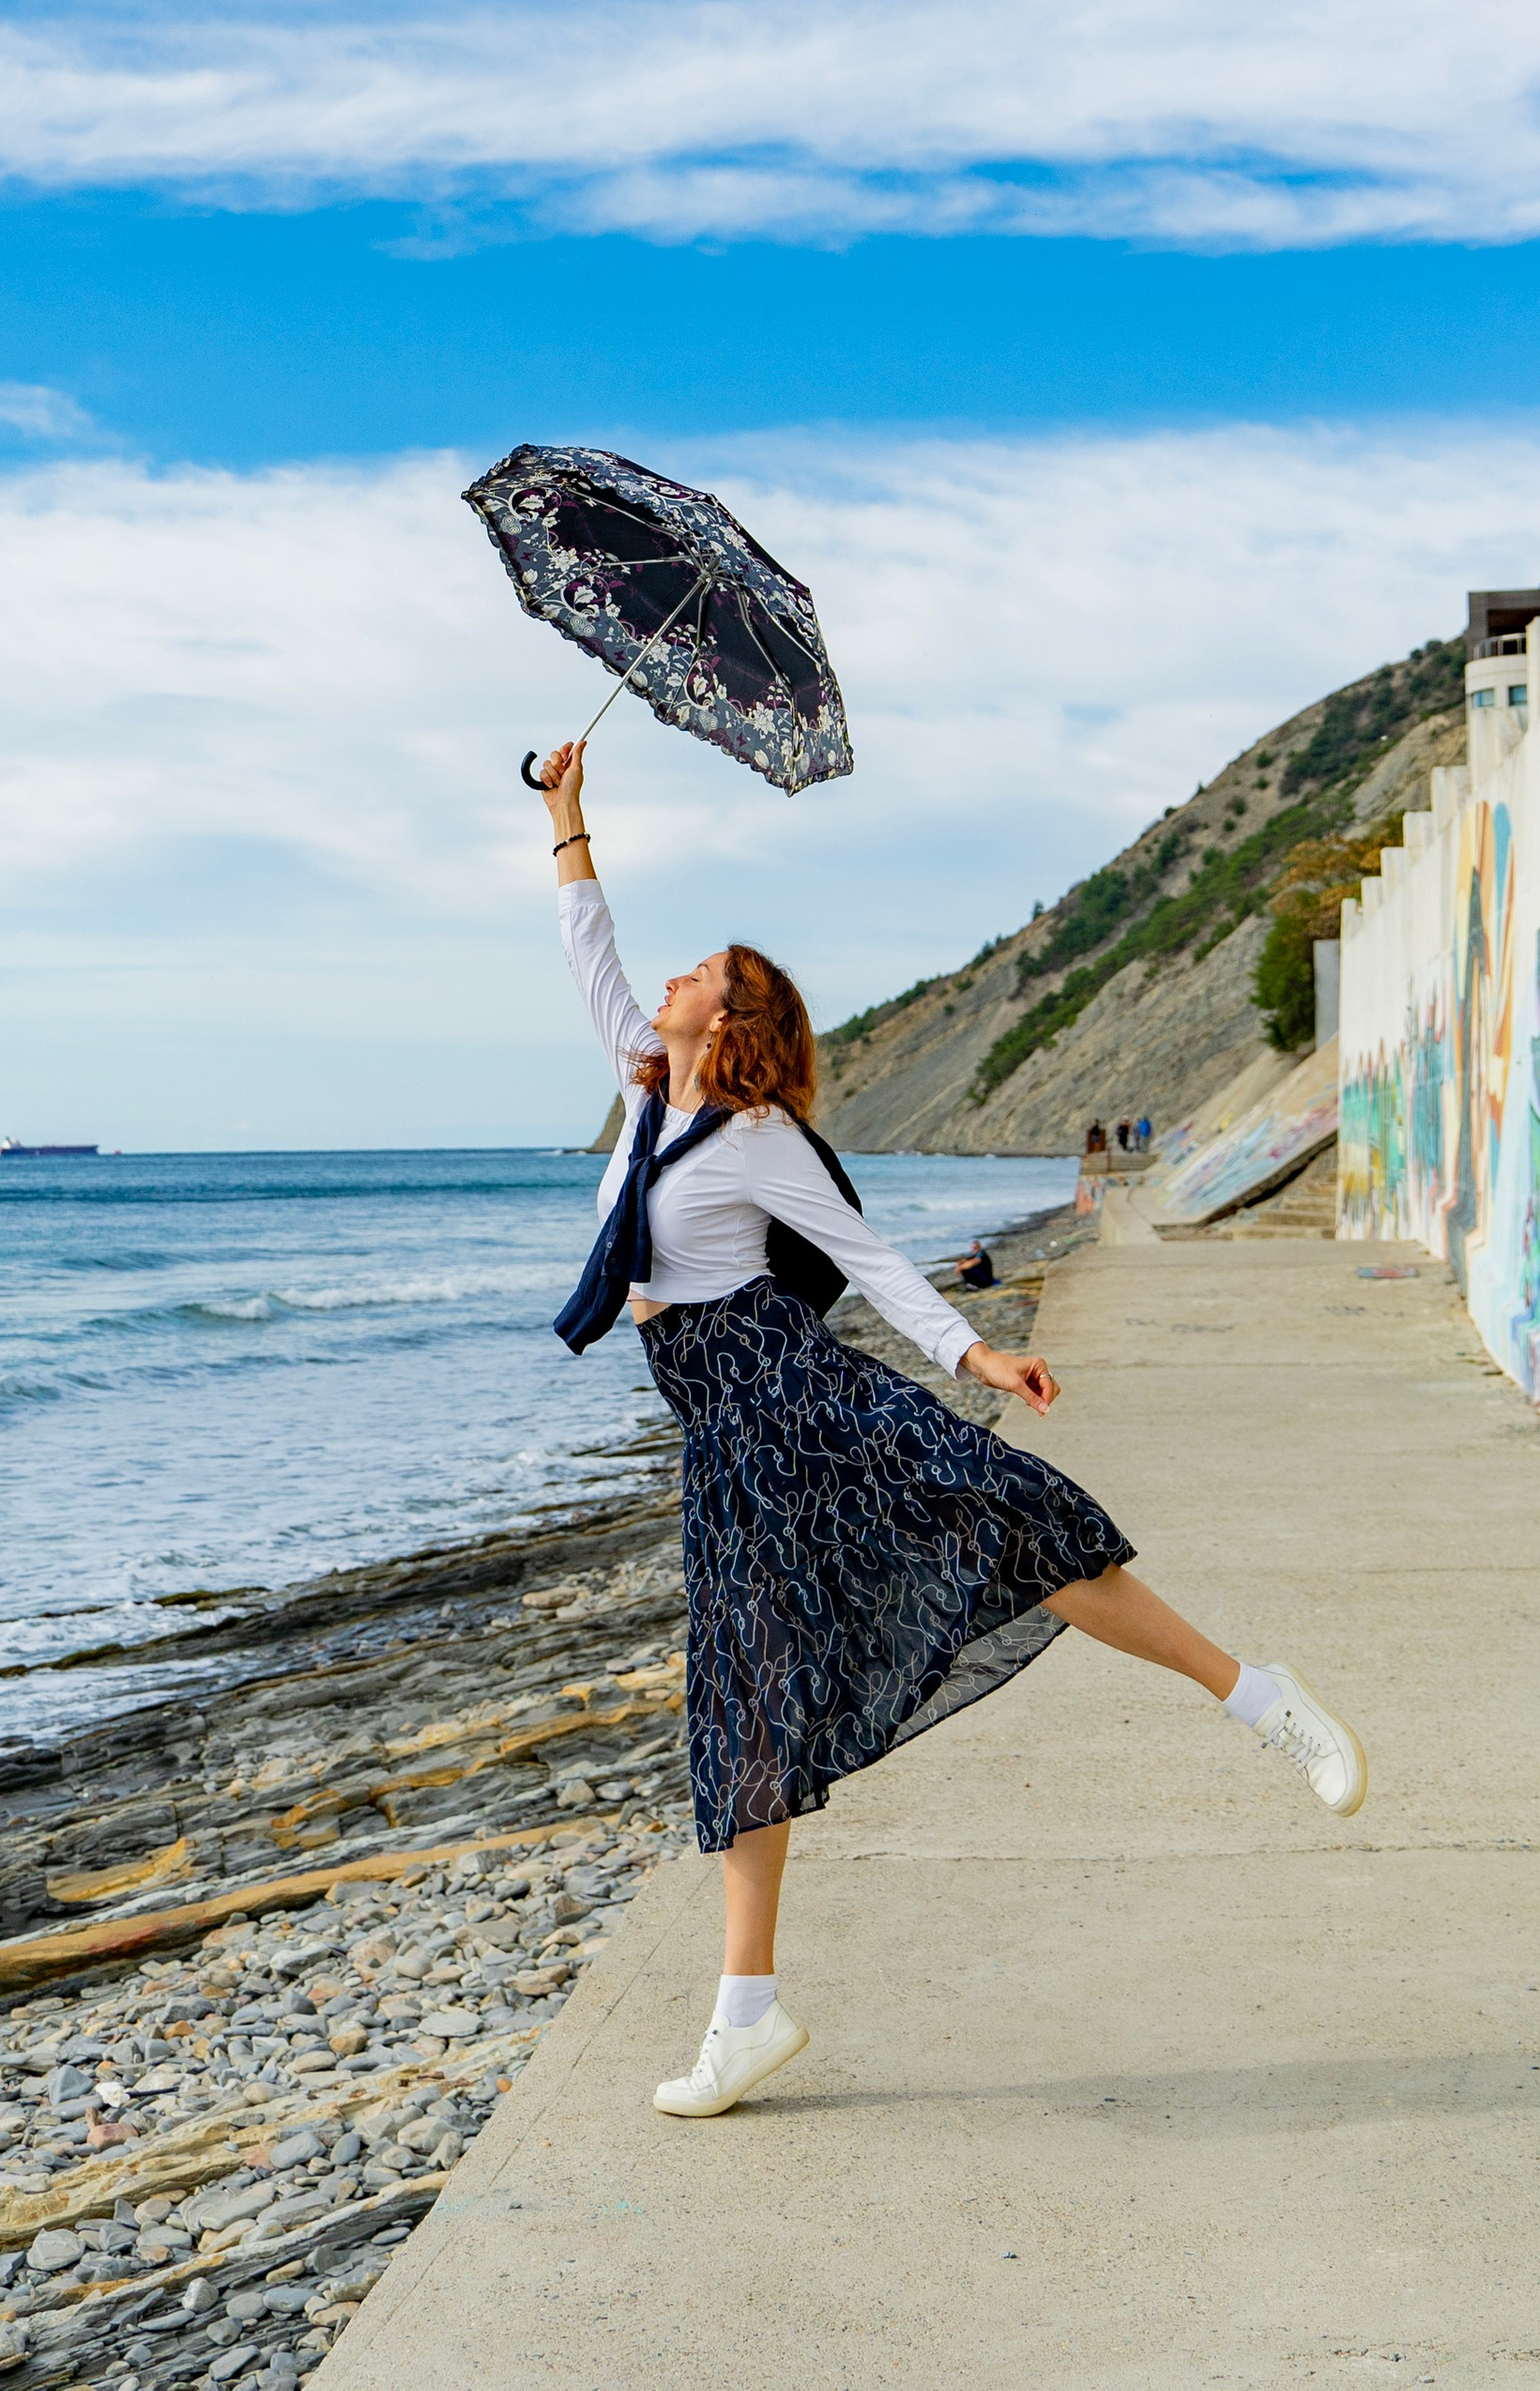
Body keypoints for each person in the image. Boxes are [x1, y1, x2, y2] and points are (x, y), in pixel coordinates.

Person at [536, 739, 1368, 2124]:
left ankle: (1261, 1699)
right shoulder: (641, 1095)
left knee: (1015, 1522)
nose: (671, 980)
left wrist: (976, 1348)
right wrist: (567, 817)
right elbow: (588, 949)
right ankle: (749, 2012)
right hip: (721, 1435)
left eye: (702, 975)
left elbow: (870, 1260)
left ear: (733, 1023)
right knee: (743, 1703)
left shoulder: (755, 1137)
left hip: (793, 1394)